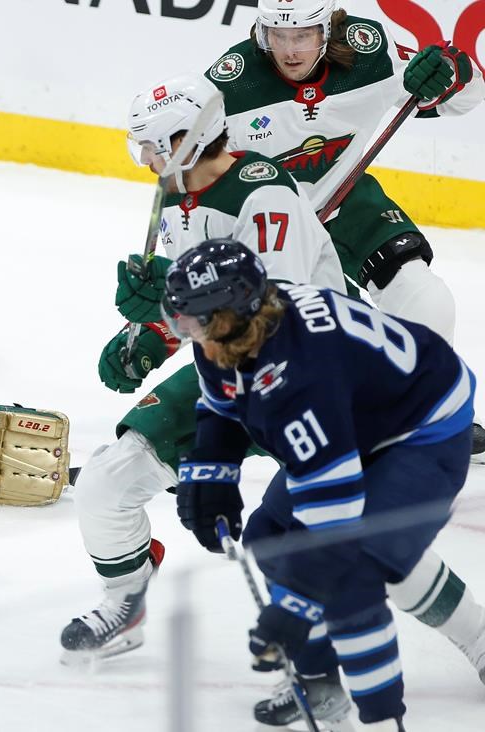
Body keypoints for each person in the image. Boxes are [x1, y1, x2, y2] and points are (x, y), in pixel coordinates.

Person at [61, 71, 345, 664]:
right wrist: (148, 335)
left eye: (153, 144)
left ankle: (326, 653)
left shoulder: (262, 195)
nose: (143, 157)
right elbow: (200, 307)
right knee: (106, 483)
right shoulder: (177, 195)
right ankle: (126, 603)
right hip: (228, 368)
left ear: (190, 139)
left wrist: (169, 300)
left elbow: (272, 312)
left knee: (300, 533)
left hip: (311, 376)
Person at [168, 238, 475, 731]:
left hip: (422, 428)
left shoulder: (300, 375)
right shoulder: (227, 334)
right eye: (181, 319)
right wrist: (213, 468)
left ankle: (382, 722)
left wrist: (295, 607)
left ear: (236, 314)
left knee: (350, 575)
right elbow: (222, 404)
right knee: (269, 540)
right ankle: (320, 686)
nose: (188, 332)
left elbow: (334, 517)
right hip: (358, 417)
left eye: (197, 321)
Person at [203, 0, 485, 452]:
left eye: (303, 36)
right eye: (279, 35)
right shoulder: (229, 85)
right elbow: (194, 182)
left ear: (327, 28)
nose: (290, 50)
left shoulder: (368, 51)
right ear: (261, 33)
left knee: (426, 299)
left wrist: (453, 71)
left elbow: (468, 96)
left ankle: (421, 418)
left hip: (347, 197)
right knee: (293, 345)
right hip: (275, 225)